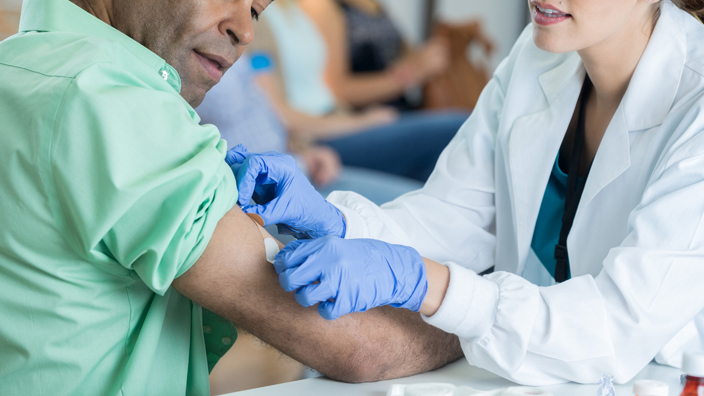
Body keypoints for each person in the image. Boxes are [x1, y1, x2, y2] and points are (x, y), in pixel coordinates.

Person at [230, 0, 704, 386]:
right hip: (533, 364)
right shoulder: (542, 49)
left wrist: (424, 283)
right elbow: (456, 212)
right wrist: (341, 224)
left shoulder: (696, 105)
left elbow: (615, 329)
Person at [0, 0, 464, 394]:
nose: (243, 31)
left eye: (257, 12)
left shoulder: (19, 65)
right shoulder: (111, 99)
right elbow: (363, 346)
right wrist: (488, 322)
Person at [248, 0, 469, 182]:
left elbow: (327, 88)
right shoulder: (256, 17)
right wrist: (364, 121)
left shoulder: (303, 10)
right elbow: (278, 113)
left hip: (340, 118)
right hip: (318, 136)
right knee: (459, 128)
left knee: (443, 163)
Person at [196, 52, 424, 206]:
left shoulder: (248, 42)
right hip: (265, 186)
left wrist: (303, 150)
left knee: (423, 206)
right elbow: (287, 115)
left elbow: (270, 112)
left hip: (298, 161)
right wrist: (364, 120)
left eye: (253, 11)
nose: (246, 30)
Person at [299, 0, 450, 111]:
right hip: (363, 116)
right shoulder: (322, 5)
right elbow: (336, 90)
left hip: (399, 108)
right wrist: (411, 75)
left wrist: (426, 57)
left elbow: (404, 52)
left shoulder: (374, 5)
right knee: (454, 127)